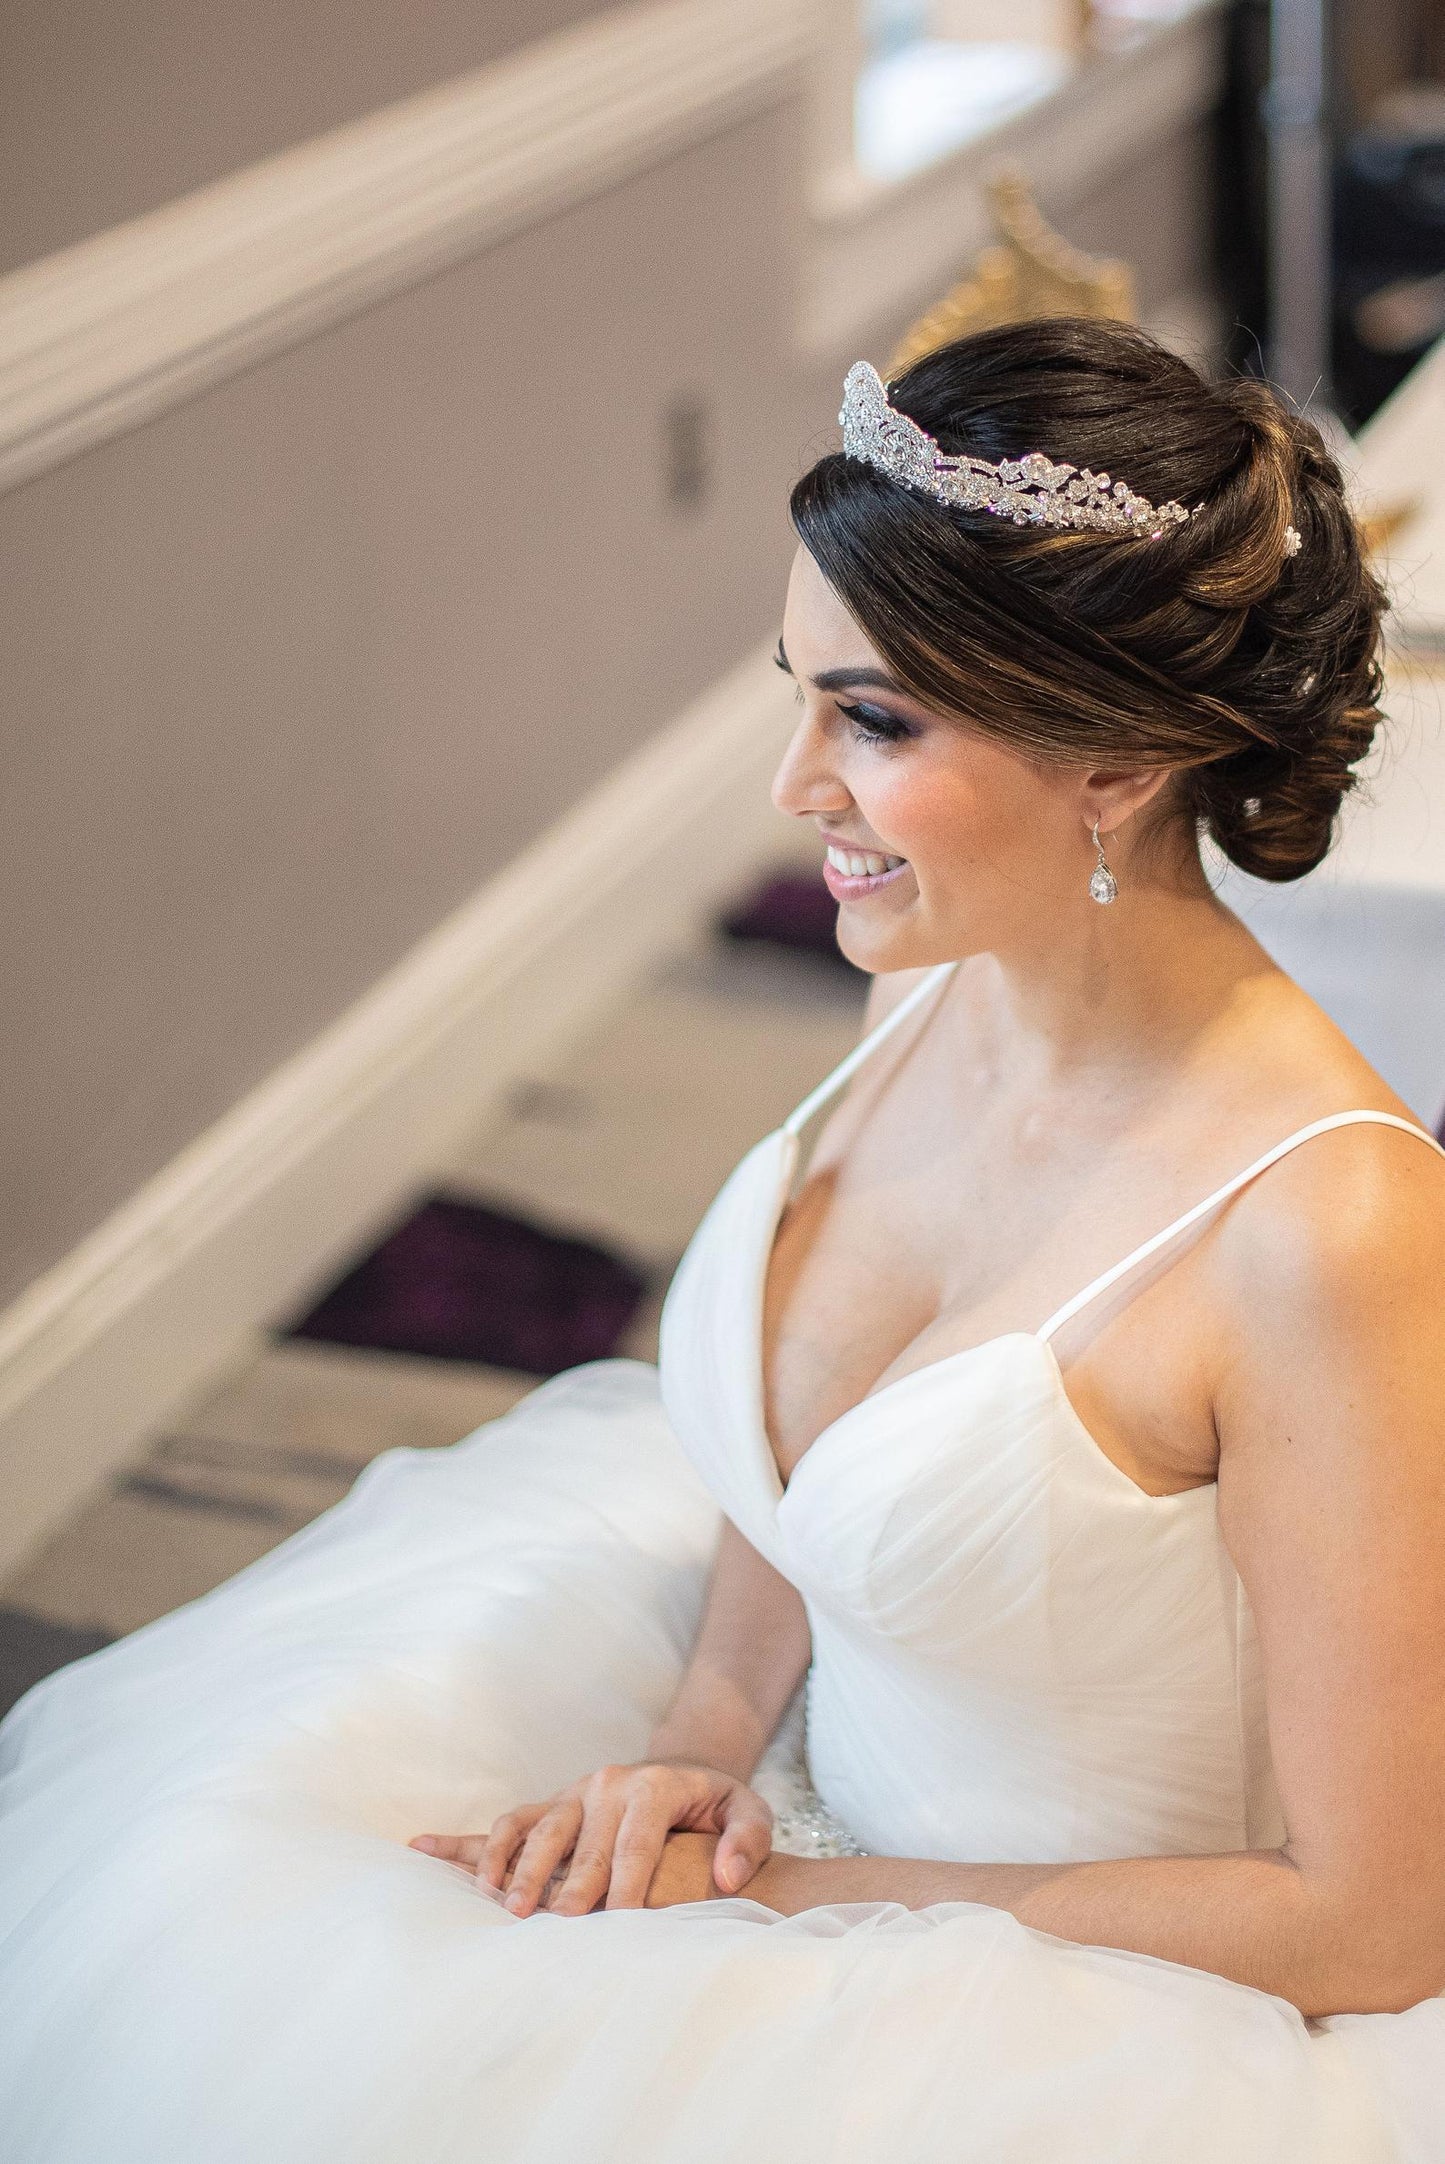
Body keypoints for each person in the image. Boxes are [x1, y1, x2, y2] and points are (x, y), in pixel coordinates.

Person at [2, 318, 1443, 2163]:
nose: (794, 788)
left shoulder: (1322, 1226)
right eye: (801, 689)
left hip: (1099, 2008)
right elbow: (808, 1450)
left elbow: (1375, 1924)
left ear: (1118, 759)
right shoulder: (936, 979)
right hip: (793, 1784)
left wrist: (771, 1915)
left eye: (874, 719)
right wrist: (699, 1734)